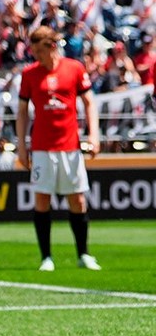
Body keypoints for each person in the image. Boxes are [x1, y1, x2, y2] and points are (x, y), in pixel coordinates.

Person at [15, 26, 101, 272]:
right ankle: (46, 257)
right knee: (42, 199)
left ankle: (83, 254)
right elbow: (22, 112)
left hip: (70, 146)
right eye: (34, 52)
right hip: (42, 146)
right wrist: (22, 146)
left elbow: (89, 102)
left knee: (78, 200)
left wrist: (94, 135)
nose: (36, 57)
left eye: (40, 52)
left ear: (52, 47)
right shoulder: (29, 74)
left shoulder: (74, 68)